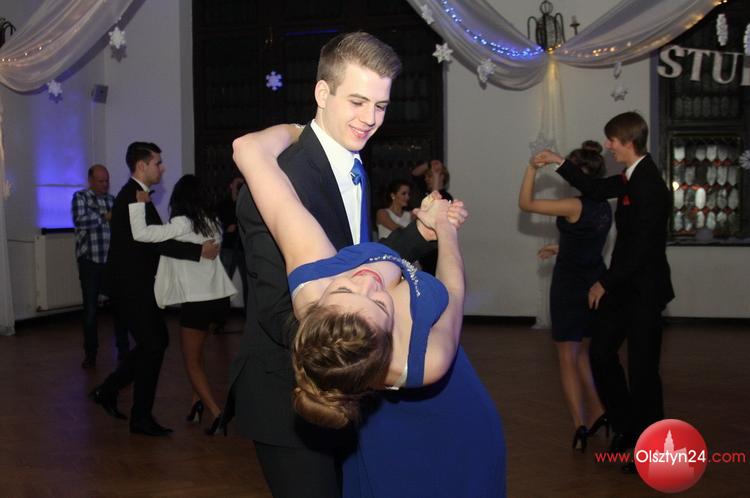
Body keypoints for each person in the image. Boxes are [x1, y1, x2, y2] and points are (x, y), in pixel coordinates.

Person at [227, 32, 450, 498]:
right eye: (357, 101)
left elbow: (357, 259)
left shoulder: (352, 161)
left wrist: (419, 233)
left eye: (381, 106)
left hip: (347, 392)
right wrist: (367, 358)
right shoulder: (277, 180)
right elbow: (277, 308)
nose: (370, 119)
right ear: (322, 93)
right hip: (286, 394)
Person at [233, 123, 504, 498]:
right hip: (447, 425)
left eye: (344, 289)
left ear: (318, 305)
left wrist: (306, 129)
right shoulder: (429, 359)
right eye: (379, 303)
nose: (366, 281)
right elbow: (453, 290)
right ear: (387, 346)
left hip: (413, 426)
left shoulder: (313, 279)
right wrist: (446, 229)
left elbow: (249, 150)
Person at [535, 112, 674, 473]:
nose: (608, 146)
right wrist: (559, 161)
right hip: (624, 286)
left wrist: (604, 282)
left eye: (612, 140)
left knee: (643, 371)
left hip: (644, 290)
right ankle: (625, 425)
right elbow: (595, 190)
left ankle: (649, 447)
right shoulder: (631, 177)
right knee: (600, 353)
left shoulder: (649, 184)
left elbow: (641, 249)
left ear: (628, 142)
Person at [89, 142, 220, 437]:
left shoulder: (137, 195)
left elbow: (155, 240)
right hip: (130, 286)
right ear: (141, 166)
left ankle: (110, 392)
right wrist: (198, 251)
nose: (162, 168)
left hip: (137, 285)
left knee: (155, 343)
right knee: (154, 344)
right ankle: (137, 415)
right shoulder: (132, 197)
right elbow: (152, 241)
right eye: (157, 163)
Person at [519, 142, 611, 452]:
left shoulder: (573, 205)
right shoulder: (604, 206)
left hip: (570, 285)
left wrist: (531, 168)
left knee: (566, 356)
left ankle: (579, 424)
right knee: (581, 352)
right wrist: (561, 247)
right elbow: (588, 242)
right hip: (594, 283)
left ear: (581, 173)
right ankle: (598, 411)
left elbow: (526, 204)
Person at [129, 174, 236, 435]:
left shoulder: (183, 222)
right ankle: (196, 403)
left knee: (191, 362)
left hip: (197, 303)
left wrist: (138, 205)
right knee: (198, 355)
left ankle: (217, 414)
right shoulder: (212, 222)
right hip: (217, 301)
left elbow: (142, 234)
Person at [72, 164, 129, 368]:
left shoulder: (112, 200)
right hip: (90, 262)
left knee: (120, 307)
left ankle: (124, 351)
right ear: (91, 181)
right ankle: (91, 354)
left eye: (107, 181)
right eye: (101, 181)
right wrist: (105, 217)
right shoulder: (81, 197)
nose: (105, 184)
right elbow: (80, 220)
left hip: (111, 262)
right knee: (90, 311)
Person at [217, 176, 248, 307]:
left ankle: (248, 314)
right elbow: (218, 224)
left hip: (244, 248)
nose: (239, 186)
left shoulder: (247, 204)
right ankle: (221, 312)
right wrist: (226, 228)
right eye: (237, 184)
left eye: (242, 184)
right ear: (231, 186)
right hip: (229, 246)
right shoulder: (223, 204)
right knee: (225, 281)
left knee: (248, 282)